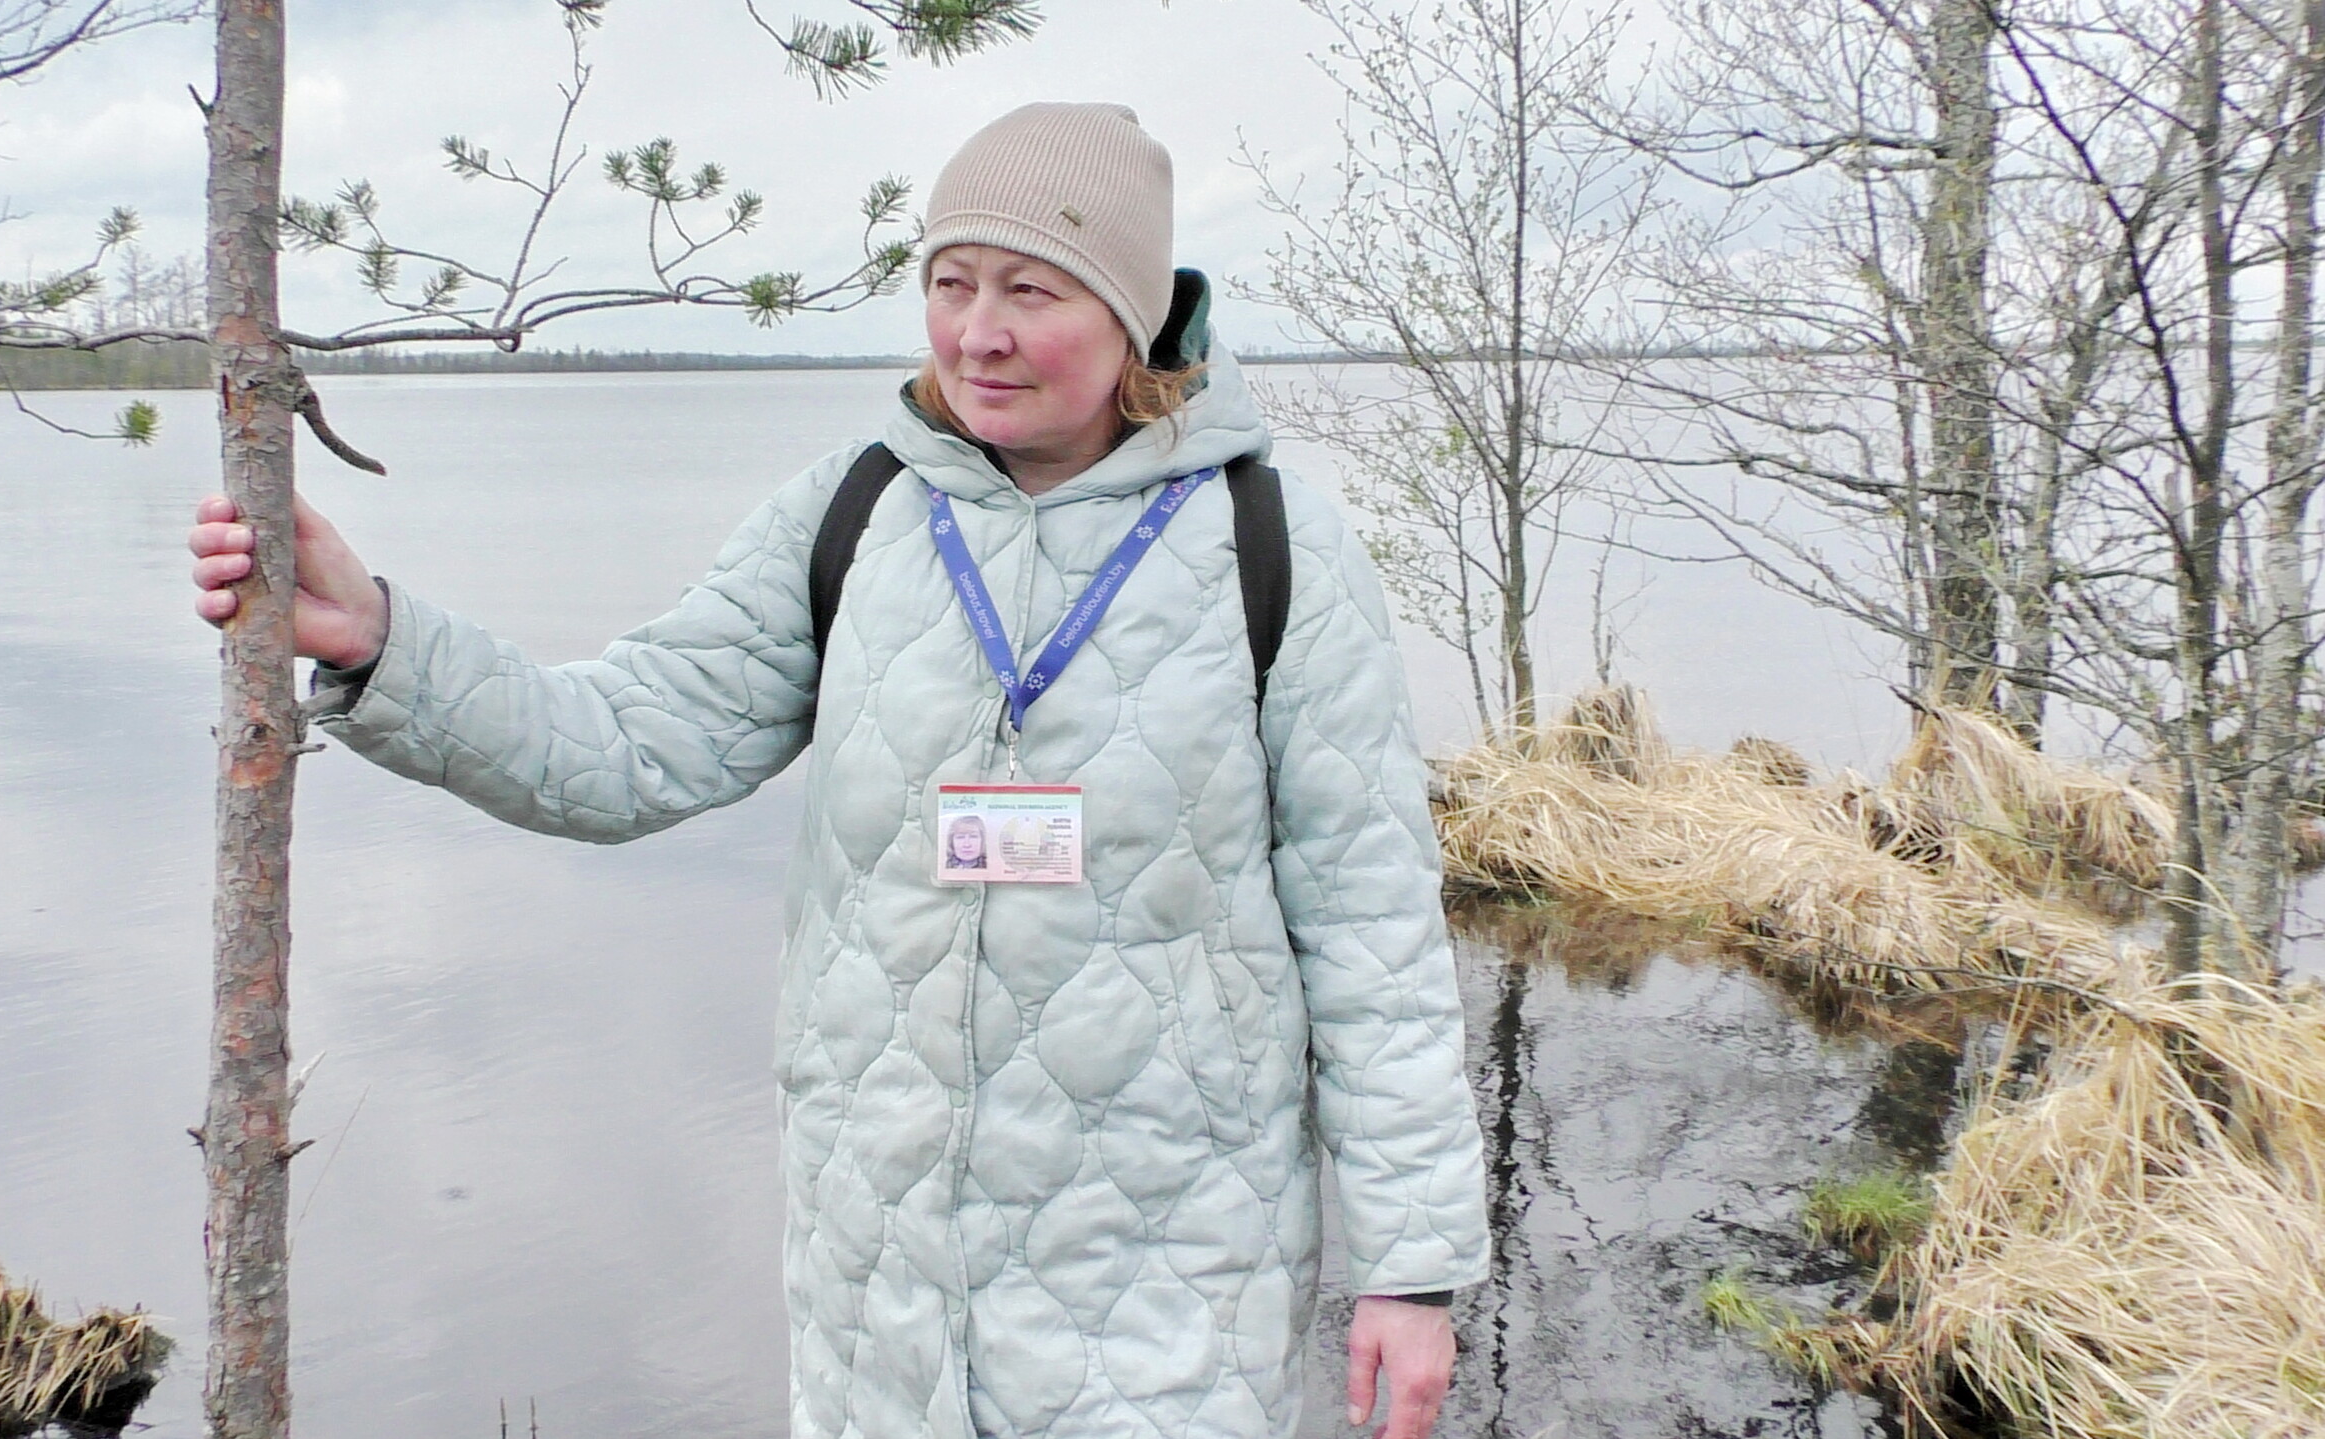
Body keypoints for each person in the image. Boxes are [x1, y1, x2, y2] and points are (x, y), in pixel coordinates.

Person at [190, 102, 1488, 1439]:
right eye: (951, 283)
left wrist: (1411, 1270)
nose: (979, 332)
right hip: (884, 1312)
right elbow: (628, 745)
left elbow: (1372, 929)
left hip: (1175, 1309)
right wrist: (386, 642)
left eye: (1030, 291)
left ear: (1134, 316)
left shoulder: (1276, 550)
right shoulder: (854, 515)